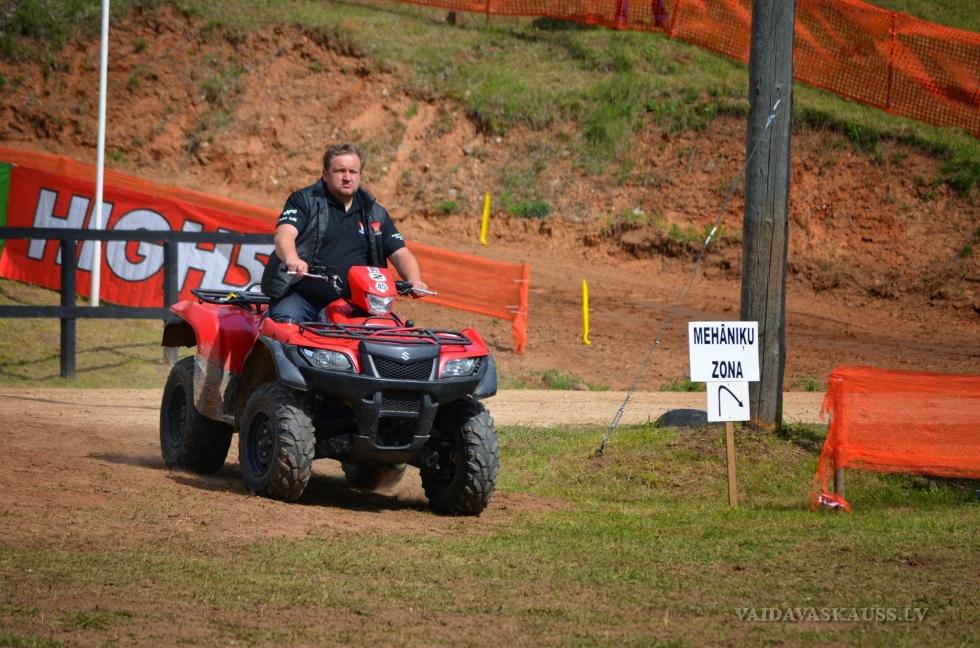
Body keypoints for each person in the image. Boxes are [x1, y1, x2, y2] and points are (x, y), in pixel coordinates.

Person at [261, 143, 427, 322]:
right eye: (340, 171)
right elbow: (284, 234)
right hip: (302, 298)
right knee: (286, 328)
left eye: (353, 172)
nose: (347, 177)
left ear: (360, 176)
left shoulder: (375, 213)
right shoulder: (304, 201)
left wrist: (414, 279)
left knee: (384, 333)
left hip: (356, 305)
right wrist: (292, 258)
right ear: (325, 174)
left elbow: (400, 252)